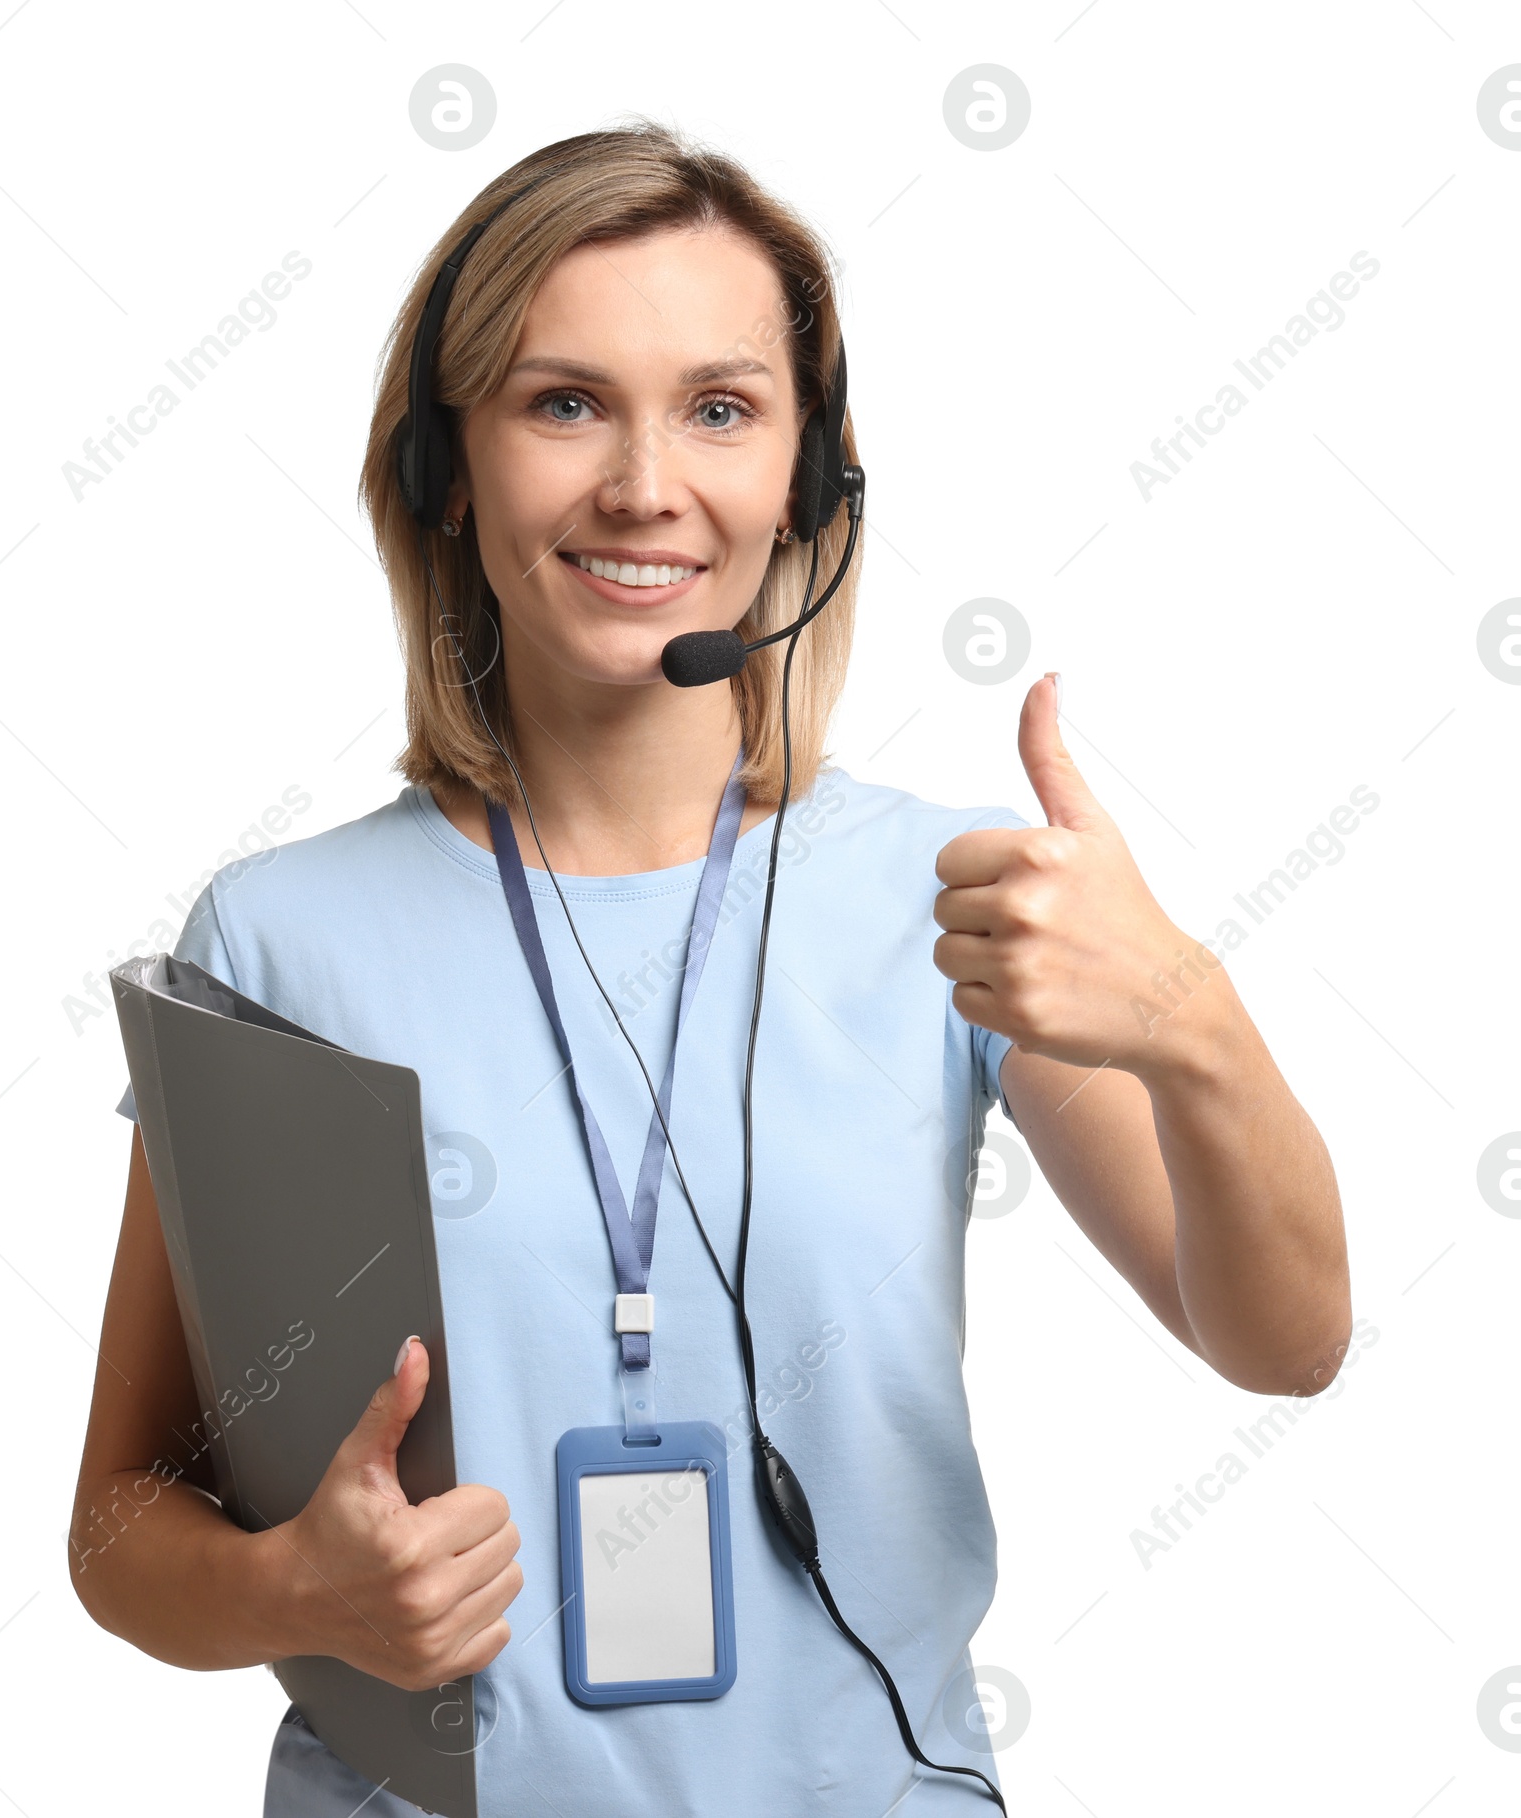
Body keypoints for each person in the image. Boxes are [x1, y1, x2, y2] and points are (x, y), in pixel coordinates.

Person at [70, 122, 1351, 1816]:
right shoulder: (276, 940)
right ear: (451, 465)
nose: (644, 484)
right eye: (564, 400)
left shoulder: (951, 892)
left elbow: (1285, 1341)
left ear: (809, 486)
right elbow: (119, 1521)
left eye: (722, 408)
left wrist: (1192, 1019)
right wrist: (292, 1591)